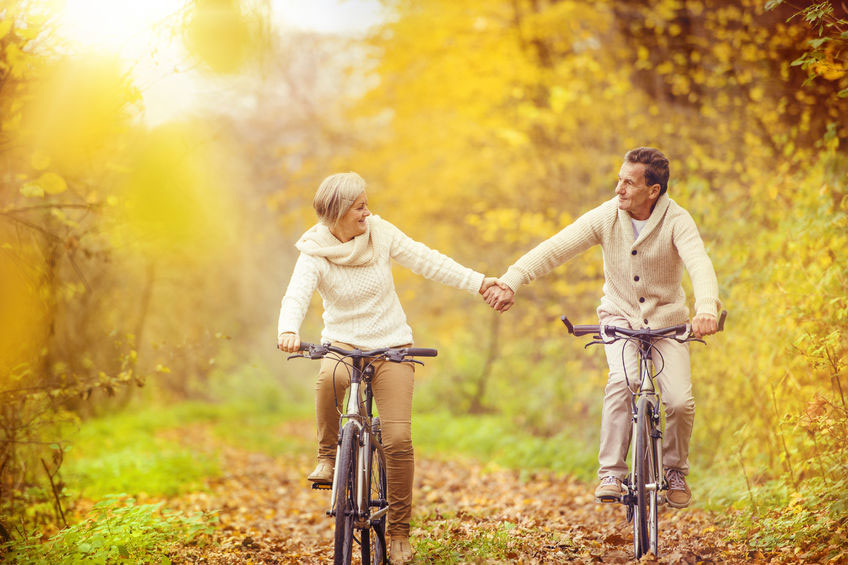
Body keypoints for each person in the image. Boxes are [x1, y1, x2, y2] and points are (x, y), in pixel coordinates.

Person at [277, 172, 499, 563]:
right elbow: (297, 293)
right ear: (339, 212)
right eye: (360, 207)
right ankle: (328, 457)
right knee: (331, 376)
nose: (368, 212)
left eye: (366, 204)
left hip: (392, 345)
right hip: (343, 343)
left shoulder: (380, 233)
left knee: (397, 440)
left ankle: (398, 532)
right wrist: (288, 329)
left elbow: (427, 260)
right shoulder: (314, 249)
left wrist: (479, 282)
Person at [483, 147, 720, 508]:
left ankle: (674, 470)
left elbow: (699, 264)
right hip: (619, 319)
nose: (618, 189)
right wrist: (512, 280)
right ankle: (611, 471)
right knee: (622, 382)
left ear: (653, 190)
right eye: (618, 180)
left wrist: (705, 308)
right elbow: (556, 248)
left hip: (668, 325)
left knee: (679, 401)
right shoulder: (608, 216)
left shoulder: (677, 220)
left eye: (628, 182)